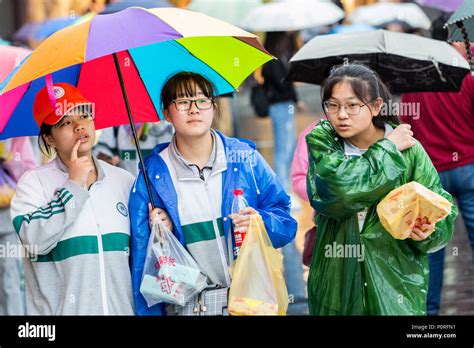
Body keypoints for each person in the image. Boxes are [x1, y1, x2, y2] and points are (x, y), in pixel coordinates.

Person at [129, 72, 297, 315]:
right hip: (187, 307)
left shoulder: (245, 159)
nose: (194, 109)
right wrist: (164, 234)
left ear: (213, 107)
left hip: (250, 302)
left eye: (202, 101)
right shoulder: (151, 177)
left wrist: (261, 222)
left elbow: (286, 223)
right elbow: (140, 264)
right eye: (183, 102)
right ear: (166, 113)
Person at [306, 64, 457, 315]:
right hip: (336, 280)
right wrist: (387, 149)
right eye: (332, 105)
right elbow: (339, 193)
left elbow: (441, 210)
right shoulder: (324, 144)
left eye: (353, 105)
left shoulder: (409, 151)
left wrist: (429, 230)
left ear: (376, 107)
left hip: (396, 282)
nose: (341, 115)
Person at [10, 82, 138, 315]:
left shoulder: (124, 181)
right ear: (49, 139)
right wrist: (74, 186)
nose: (80, 126)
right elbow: (34, 240)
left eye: (85, 115)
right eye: (66, 122)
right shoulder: (32, 184)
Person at [400, 13, 474, 315]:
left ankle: (428, 315)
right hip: (469, 169)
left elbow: (406, 131)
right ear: (454, 40)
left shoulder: (413, 87)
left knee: (432, 248)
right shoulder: (467, 80)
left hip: (431, 178)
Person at [262, 31, 303, 201]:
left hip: (282, 106)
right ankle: (284, 191)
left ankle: (285, 189)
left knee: (286, 146)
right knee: (283, 148)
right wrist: (295, 98)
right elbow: (283, 84)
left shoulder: (275, 59)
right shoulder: (274, 61)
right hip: (281, 106)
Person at [0, 138, 36, 315]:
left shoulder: (16, 138)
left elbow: (29, 174)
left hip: (8, 220)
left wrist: (8, 158)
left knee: (10, 278)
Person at [93, 121, 174, 176]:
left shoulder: (163, 121)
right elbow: (103, 147)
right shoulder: (116, 122)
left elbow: (169, 150)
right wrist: (109, 159)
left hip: (154, 184)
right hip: (125, 183)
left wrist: (159, 127)